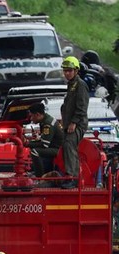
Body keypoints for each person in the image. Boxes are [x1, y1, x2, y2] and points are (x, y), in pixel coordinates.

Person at [60, 56, 90, 189]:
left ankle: (72, 178)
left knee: (69, 145)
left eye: (70, 70)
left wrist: (73, 123)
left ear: (76, 71)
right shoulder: (71, 84)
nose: (67, 73)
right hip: (69, 123)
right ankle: (70, 176)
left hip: (77, 123)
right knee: (67, 147)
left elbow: (82, 107)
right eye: (65, 70)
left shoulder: (80, 85)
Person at [27, 102, 64, 177]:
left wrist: (27, 143)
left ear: (37, 114)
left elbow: (44, 144)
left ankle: (40, 176)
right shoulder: (46, 120)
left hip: (59, 149)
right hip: (56, 147)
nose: (31, 119)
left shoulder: (47, 124)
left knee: (35, 152)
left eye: (31, 116)